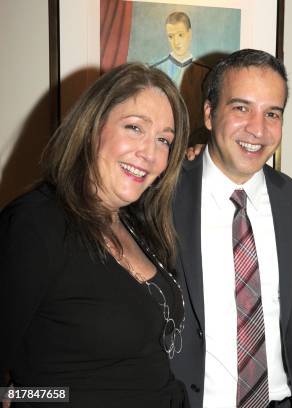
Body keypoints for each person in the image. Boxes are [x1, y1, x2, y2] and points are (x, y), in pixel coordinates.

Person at [0, 63, 190, 407]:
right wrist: (38, 398)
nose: (149, 152)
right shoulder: (35, 223)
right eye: (134, 128)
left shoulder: (136, 222)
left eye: (163, 139)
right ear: (92, 126)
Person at [170, 49, 292, 408]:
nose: (258, 129)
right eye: (241, 108)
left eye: (272, 113)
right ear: (209, 114)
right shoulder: (162, 197)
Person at [151, 11, 210, 144]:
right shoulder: (155, 71)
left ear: (189, 34)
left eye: (180, 35)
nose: (176, 42)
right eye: (171, 36)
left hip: (194, 144)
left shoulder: (206, 72)